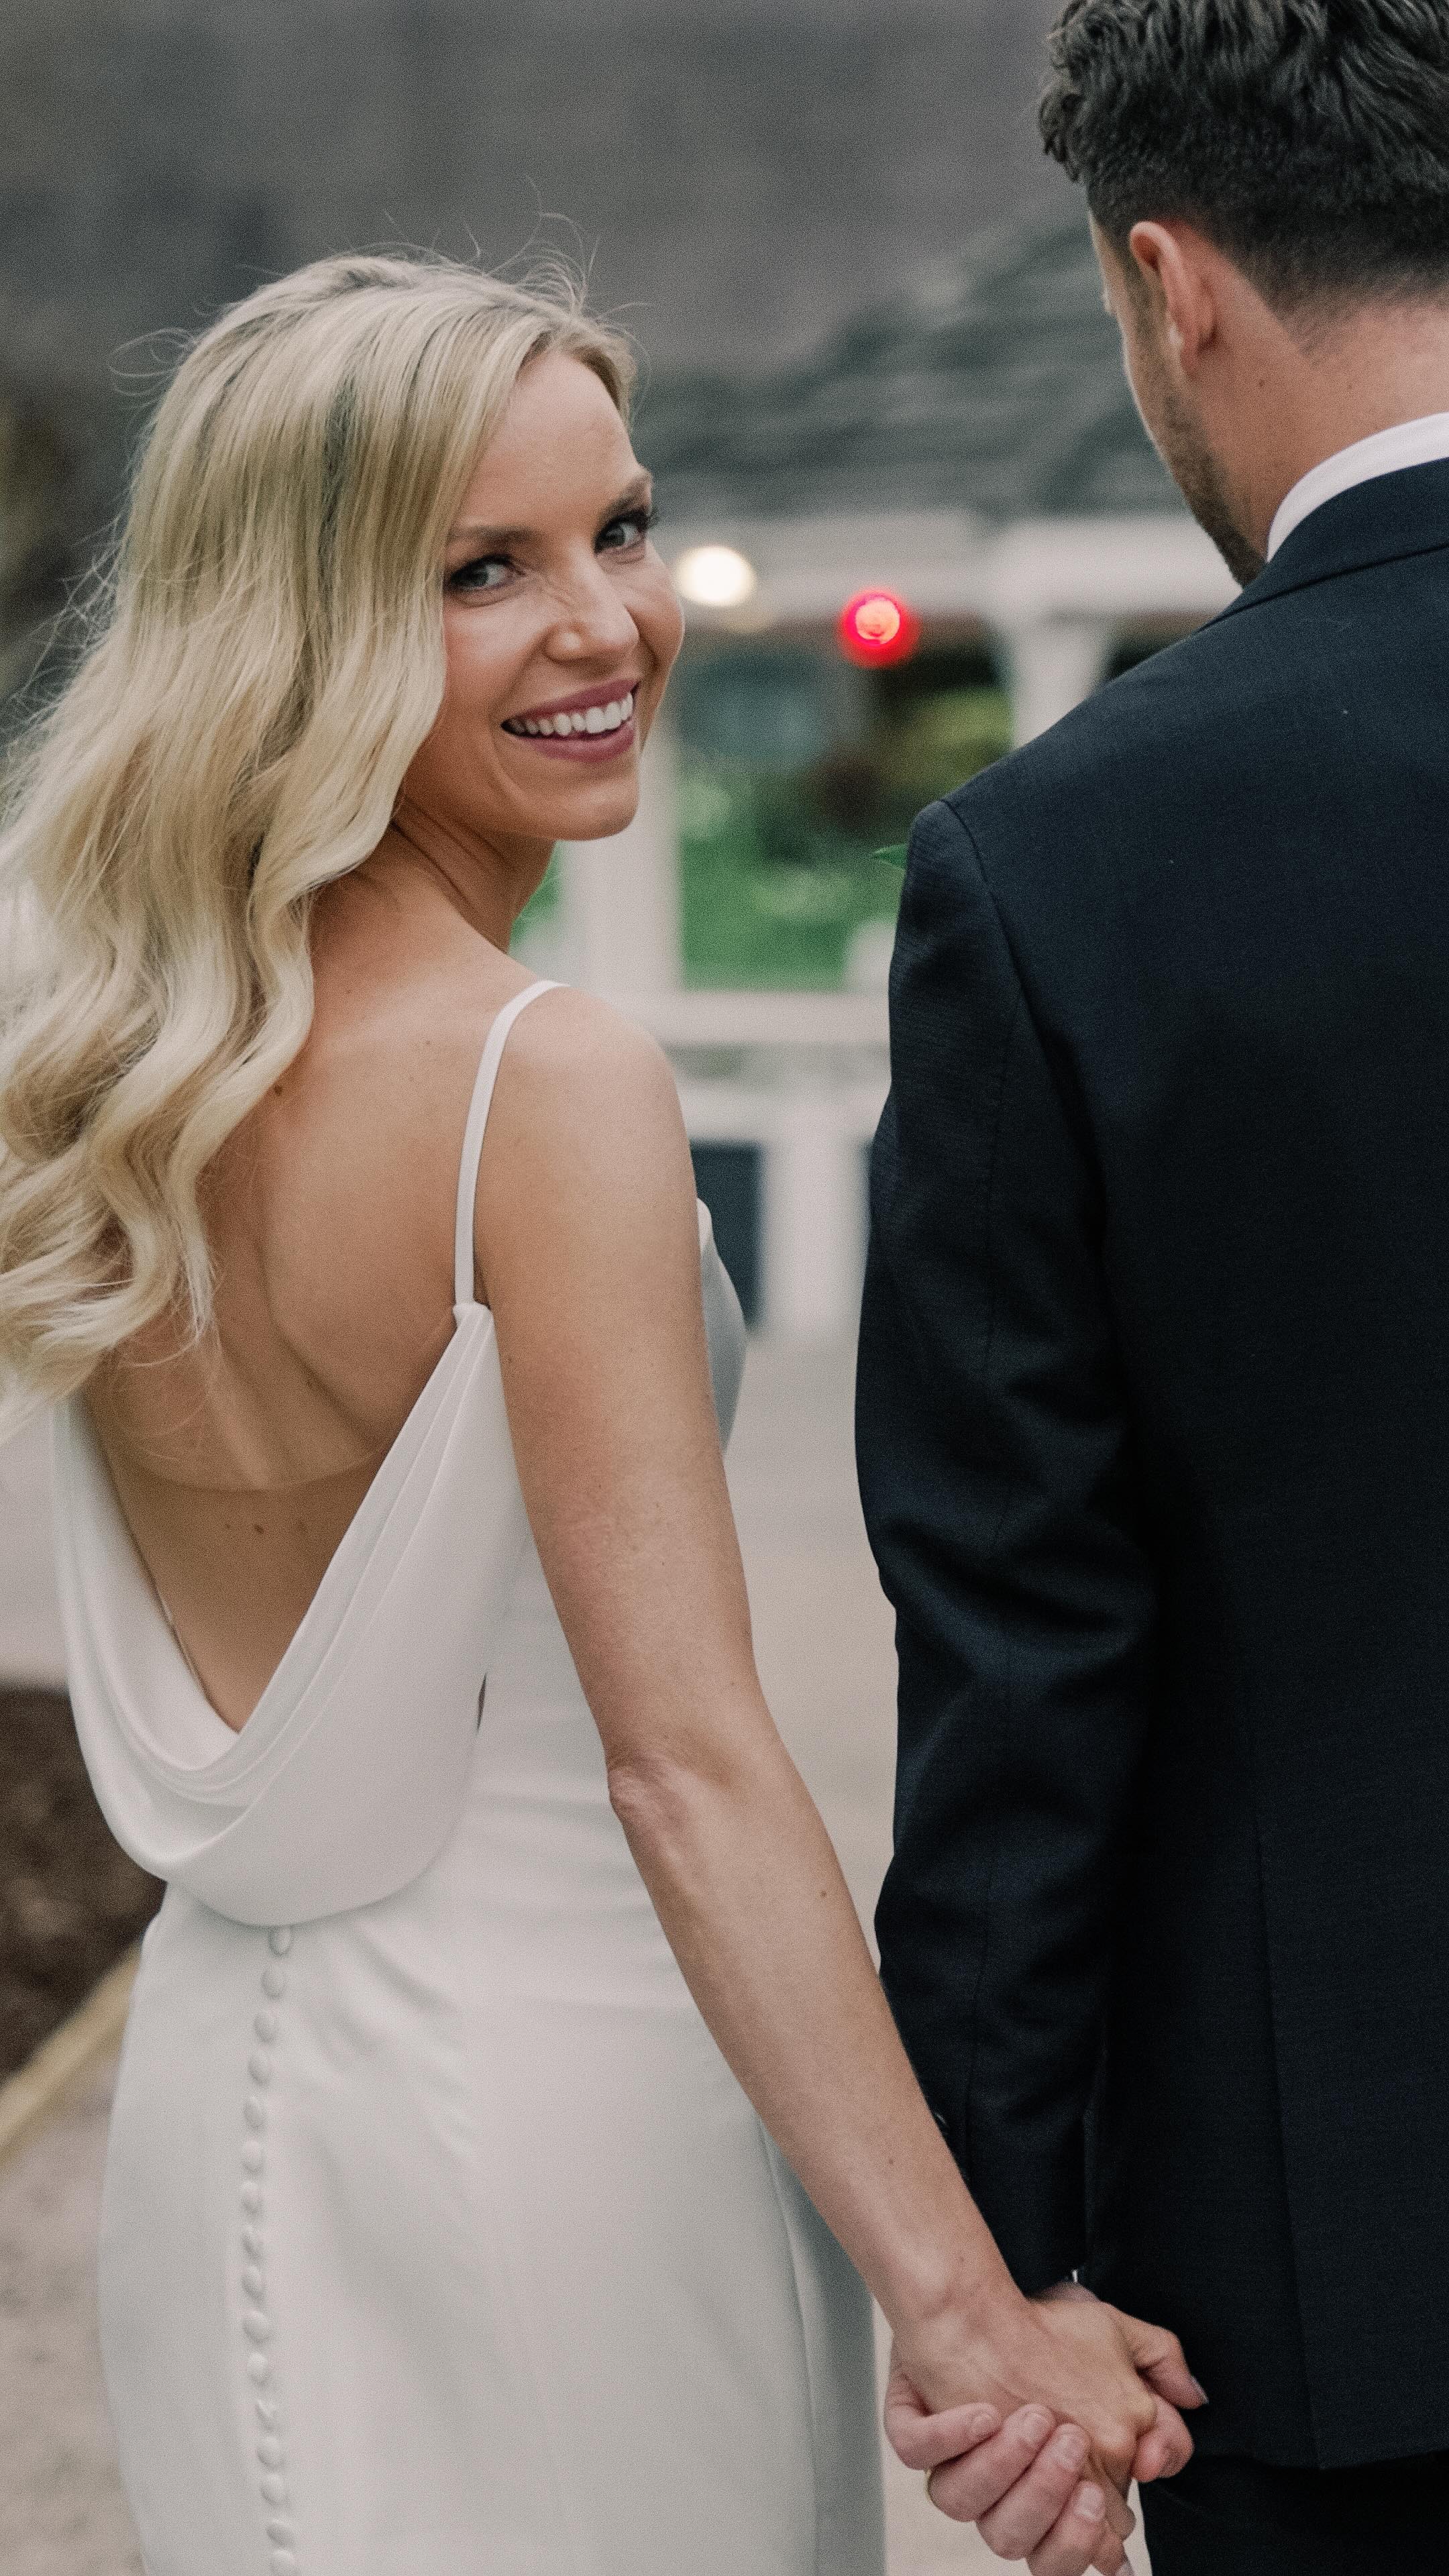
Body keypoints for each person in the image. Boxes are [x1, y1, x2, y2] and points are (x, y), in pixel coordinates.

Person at [0, 254, 1196, 2576]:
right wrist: (967, 2309)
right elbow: (689, 1762)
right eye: (484, 569)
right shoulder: (542, 1085)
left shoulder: (109, 1090)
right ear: (307, 623)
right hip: (565, 2133)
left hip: (229, 2107)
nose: (608, 624)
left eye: (620, 530)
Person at [857, 2, 1449, 2569]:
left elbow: (1024, 1648)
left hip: (1341, 2277)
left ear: (1171, 281)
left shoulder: (1063, 869)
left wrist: (999, 2274)